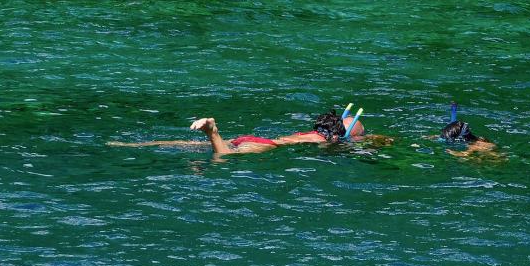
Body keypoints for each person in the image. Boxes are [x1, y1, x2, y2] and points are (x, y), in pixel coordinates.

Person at [109, 109, 391, 157]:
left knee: (184, 144)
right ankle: (211, 130)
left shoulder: (313, 132)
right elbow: (356, 145)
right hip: (268, 146)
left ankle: (136, 144)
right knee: (224, 156)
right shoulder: (327, 141)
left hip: (257, 136)